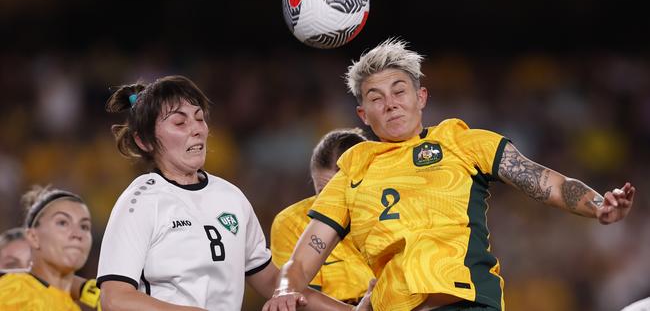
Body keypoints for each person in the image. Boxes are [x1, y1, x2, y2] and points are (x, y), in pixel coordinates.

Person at [262, 39, 636, 311]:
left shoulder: (461, 141)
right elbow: (306, 252)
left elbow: (543, 181)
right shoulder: (352, 168)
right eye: (376, 98)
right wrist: (284, 290)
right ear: (363, 115)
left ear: (421, 97)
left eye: (399, 90)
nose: (390, 103)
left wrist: (598, 205)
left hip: (466, 302)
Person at [98, 75, 372, 311]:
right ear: (144, 140)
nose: (196, 129)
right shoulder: (140, 202)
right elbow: (115, 298)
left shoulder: (230, 197)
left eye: (199, 118)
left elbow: (275, 284)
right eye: (180, 123)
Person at [271, 128, 375, 304]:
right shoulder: (292, 222)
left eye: (342, 192)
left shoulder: (394, 212)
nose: (332, 203)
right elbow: (300, 300)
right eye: (323, 192)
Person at [0, 185, 97, 310]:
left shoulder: (72, 306)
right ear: (33, 237)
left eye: (84, 226)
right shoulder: (13, 290)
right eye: (62, 223)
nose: (77, 234)